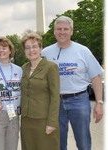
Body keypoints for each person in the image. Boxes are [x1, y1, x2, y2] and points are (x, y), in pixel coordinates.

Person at [42, 15, 104, 150]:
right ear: (54, 31)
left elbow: (96, 77)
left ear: (71, 31)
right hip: (55, 103)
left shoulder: (83, 51)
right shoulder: (45, 53)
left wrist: (99, 103)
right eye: (59, 29)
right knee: (58, 142)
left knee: (83, 142)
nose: (62, 32)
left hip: (79, 100)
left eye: (65, 29)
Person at [20, 30, 60, 150]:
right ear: (24, 51)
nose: (31, 50)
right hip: (26, 121)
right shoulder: (23, 68)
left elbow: (55, 96)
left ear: (40, 48)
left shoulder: (51, 67)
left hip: (44, 121)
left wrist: (52, 122)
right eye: (27, 48)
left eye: (34, 46)